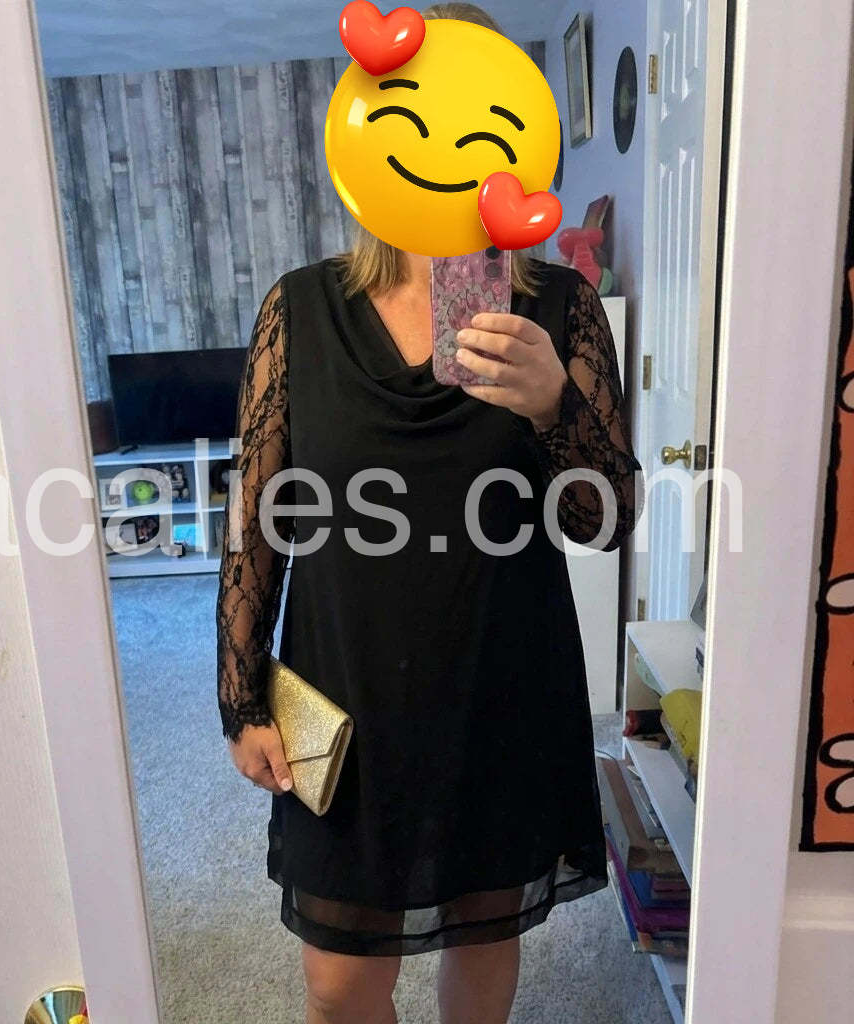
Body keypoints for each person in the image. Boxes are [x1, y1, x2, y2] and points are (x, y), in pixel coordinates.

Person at [215, 6, 644, 1021]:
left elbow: (606, 518)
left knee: (480, 936)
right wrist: (240, 694)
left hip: (502, 681)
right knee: (337, 985)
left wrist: (554, 406)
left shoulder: (559, 308)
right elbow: (258, 517)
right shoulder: (298, 309)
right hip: (342, 682)